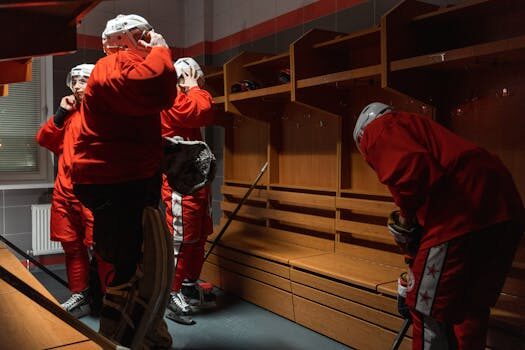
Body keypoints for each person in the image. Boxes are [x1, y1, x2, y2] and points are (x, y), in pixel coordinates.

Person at [353, 102, 525, 350]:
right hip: (504, 209)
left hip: (460, 211)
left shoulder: (378, 129)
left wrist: (406, 218)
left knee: (425, 308)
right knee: (469, 309)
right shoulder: (420, 129)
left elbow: (412, 172)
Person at [71, 14, 177, 348]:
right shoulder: (115, 63)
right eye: (146, 34)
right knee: (128, 269)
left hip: (123, 178)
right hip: (116, 181)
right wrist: (161, 50)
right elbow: (153, 87)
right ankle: (116, 337)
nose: (153, 38)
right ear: (126, 39)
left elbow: (138, 114)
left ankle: (147, 329)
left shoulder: (121, 65)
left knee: (140, 263)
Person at [36, 64, 108, 318]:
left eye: (83, 81)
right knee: (72, 248)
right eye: (74, 81)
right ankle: (80, 294)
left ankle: (111, 300)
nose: (77, 86)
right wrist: (59, 114)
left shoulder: (106, 112)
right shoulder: (70, 113)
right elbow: (45, 139)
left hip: (94, 195)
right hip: (65, 193)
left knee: (102, 249)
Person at [160, 57, 215, 325]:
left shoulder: (185, 100)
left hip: (197, 183)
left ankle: (188, 284)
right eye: (193, 78)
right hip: (180, 184)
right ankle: (171, 293)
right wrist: (194, 88)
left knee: (199, 235)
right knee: (181, 240)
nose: (198, 84)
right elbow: (202, 111)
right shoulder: (172, 99)